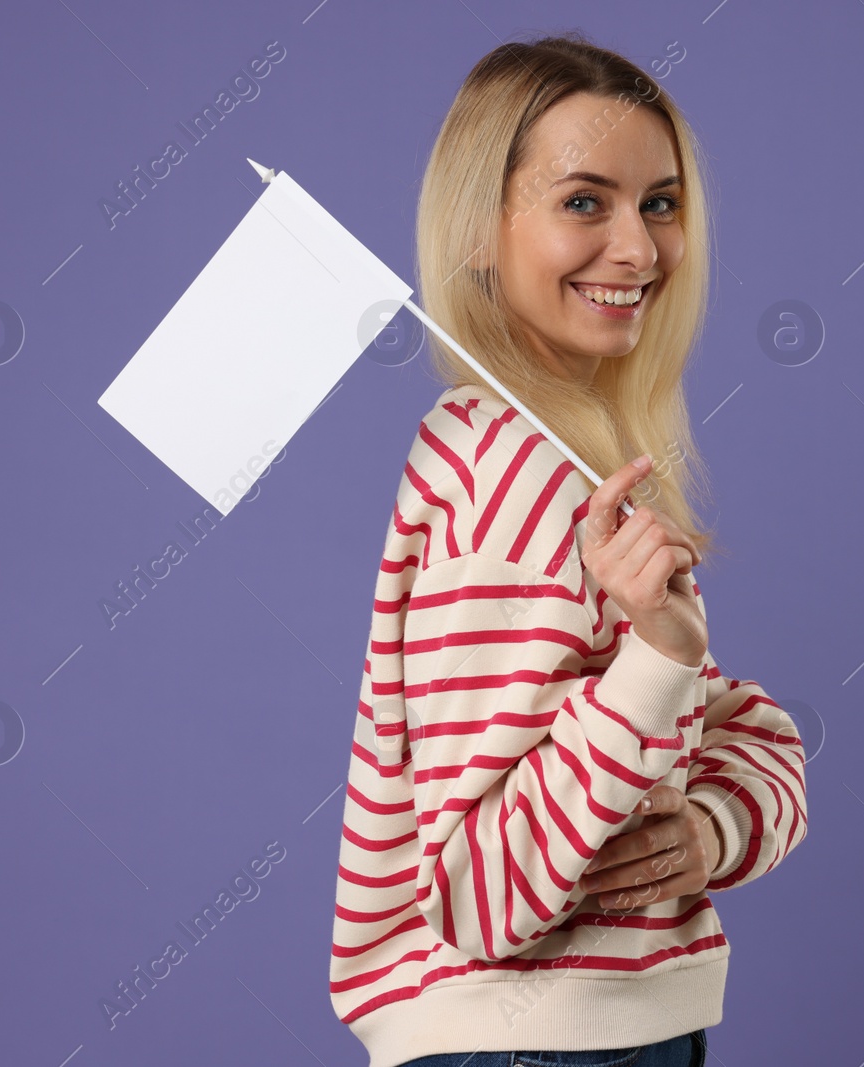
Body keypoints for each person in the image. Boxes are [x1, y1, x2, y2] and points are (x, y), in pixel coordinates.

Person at [328, 31, 809, 1067]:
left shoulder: (572, 461)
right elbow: (478, 894)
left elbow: (748, 731)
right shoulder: (509, 475)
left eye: (660, 202)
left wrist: (711, 826)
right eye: (584, 201)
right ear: (479, 228)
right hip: (534, 1047)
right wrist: (656, 660)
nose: (637, 249)